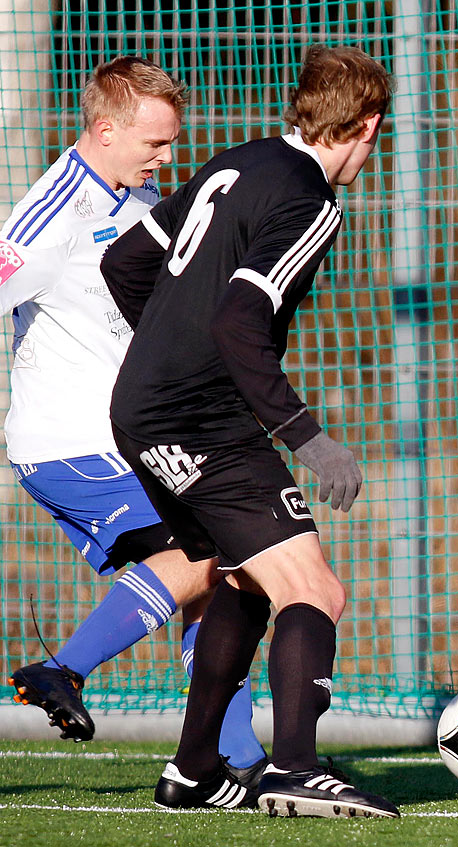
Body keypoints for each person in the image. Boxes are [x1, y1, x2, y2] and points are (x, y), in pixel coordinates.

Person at [100, 45, 396, 818]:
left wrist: (168, 351)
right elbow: (240, 316)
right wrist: (305, 433)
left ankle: (194, 770)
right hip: (201, 418)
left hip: (142, 409)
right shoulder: (311, 200)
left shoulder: (240, 160)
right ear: (366, 125)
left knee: (242, 581)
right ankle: (295, 766)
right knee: (315, 589)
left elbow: (127, 262)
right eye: (378, 134)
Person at [1, 56, 267, 782]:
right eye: (154, 142)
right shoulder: (47, 215)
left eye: (172, 141)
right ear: (104, 128)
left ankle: (238, 759)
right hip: (66, 440)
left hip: (134, 434)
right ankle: (62, 669)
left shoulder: (141, 196)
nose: (167, 156)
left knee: (228, 570)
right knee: (206, 554)